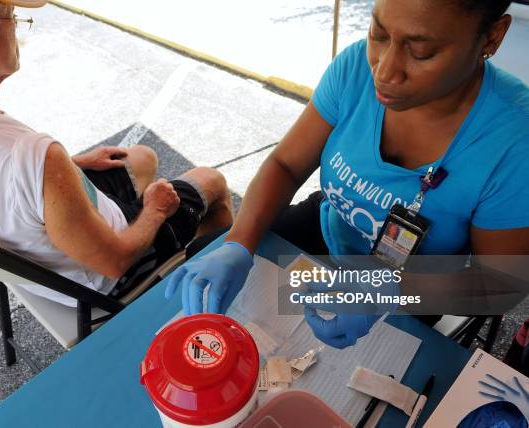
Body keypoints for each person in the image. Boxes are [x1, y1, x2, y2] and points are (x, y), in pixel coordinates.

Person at [167, 0, 529, 348]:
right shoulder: (356, 67)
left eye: (421, 53)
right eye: (379, 33)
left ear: (491, 37)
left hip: (414, 284)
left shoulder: (514, 139)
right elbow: (286, 164)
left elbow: (501, 282)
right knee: (235, 292)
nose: (384, 72)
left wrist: (391, 291)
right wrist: (239, 244)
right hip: (326, 235)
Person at [0, 0, 233, 306]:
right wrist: (154, 210)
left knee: (142, 157)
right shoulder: (30, 155)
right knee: (211, 181)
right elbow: (115, 261)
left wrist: (68, 168)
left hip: (40, 256)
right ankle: (217, 295)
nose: (17, 30)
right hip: (99, 279)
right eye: (11, 17)